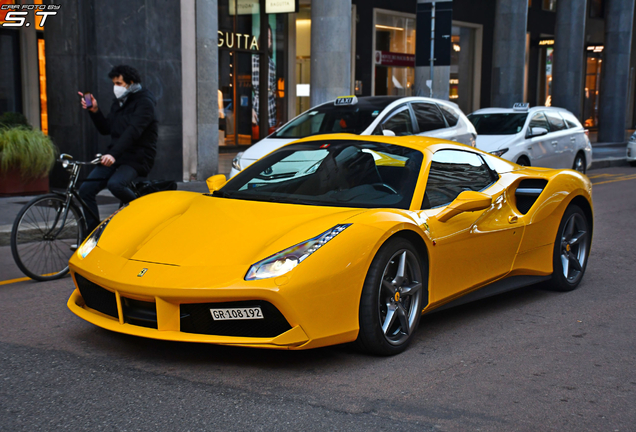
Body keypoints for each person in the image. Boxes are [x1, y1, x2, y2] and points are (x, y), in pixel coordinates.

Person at [78, 65, 158, 232]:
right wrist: (95, 110)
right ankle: (93, 235)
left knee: (116, 184)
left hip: (138, 156)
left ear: (130, 82)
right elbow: (107, 129)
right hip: (117, 154)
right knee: (85, 189)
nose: (116, 87)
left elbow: (133, 131)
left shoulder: (145, 101)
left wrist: (112, 154)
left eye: (119, 83)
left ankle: (142, 211)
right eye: (114, 83)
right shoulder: (119, 103)